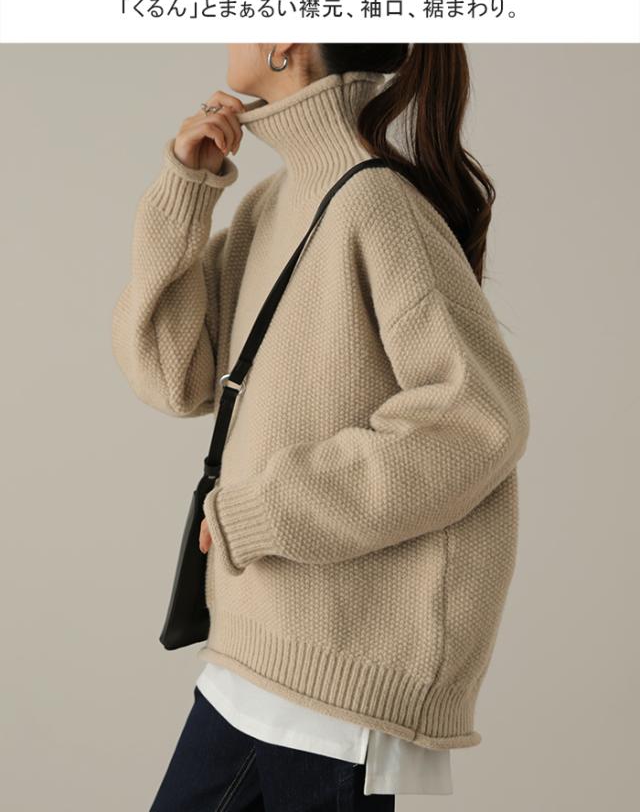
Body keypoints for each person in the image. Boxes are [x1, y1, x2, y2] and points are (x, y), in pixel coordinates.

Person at [111, 43, 531, 811]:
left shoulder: (376, 204)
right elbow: (173, 375)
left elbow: (476, 421)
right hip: (253, 655)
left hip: (340, 674)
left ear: (288, 44)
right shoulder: (276, 201)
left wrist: (265, 512)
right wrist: (186, 191)